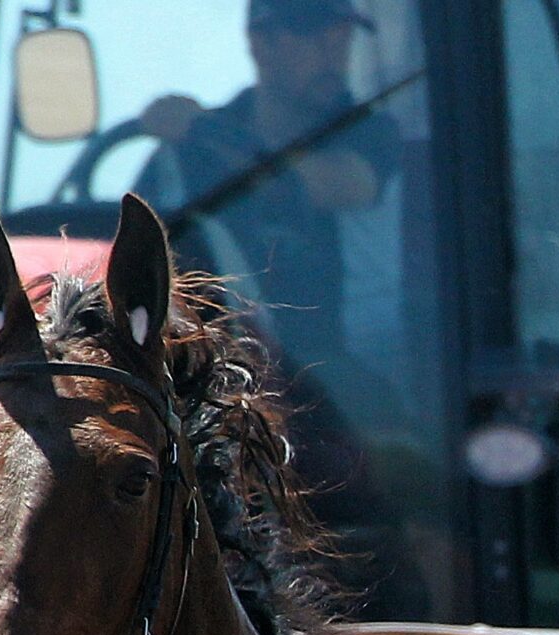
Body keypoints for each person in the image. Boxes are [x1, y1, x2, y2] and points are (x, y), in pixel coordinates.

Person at [128, 0, 402, 370]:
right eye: (310, 33)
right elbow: (136, 254)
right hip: (222, 364)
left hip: (350, 370)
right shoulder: (192, 152)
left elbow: (343, 184)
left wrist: (207, 130)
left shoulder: (370, 132)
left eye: (341, 36)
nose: (332, 51)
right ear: (260, 44)